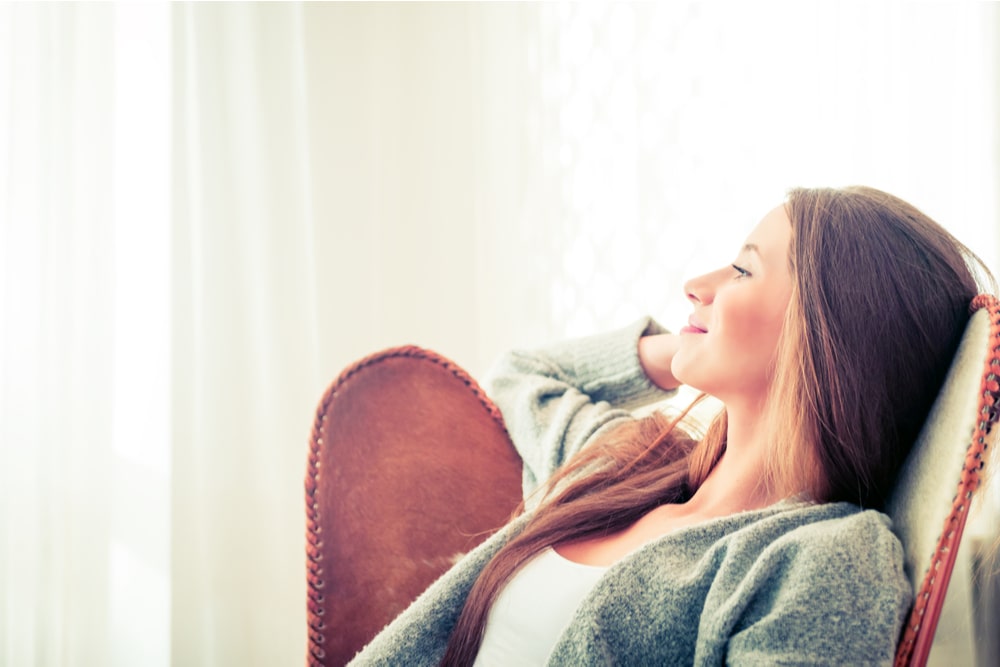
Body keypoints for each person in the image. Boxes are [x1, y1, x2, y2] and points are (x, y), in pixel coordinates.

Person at [349, 186, 994, 666]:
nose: (695, 285)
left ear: (829, 338)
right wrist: (672, 353)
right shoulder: (635, 464)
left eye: (742, 270)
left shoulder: (826, 562)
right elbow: (521, 373)